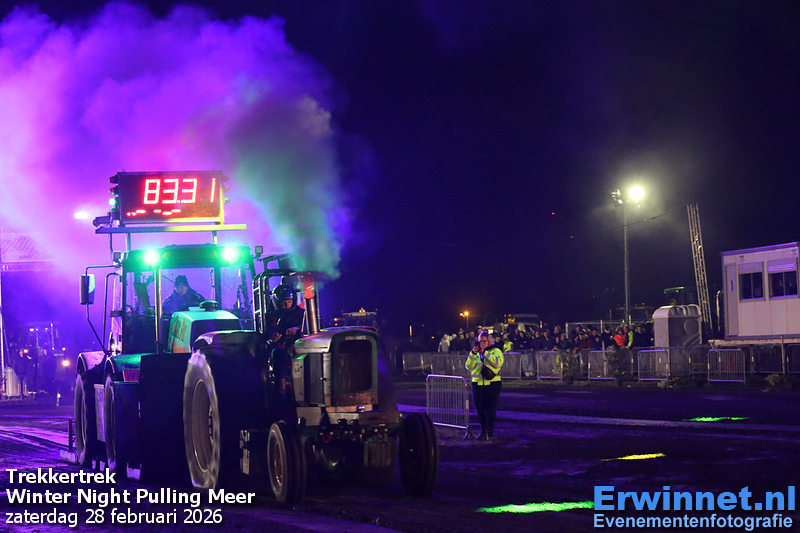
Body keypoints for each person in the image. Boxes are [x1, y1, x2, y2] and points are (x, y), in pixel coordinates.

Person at [263, 284, 305, 400]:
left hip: (298, 345)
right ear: (277, 302)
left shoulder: (301, 314)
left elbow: (310, 327)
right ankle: (281, 389)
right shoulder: (270, 316)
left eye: (289, 301)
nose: (287, 305)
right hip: (277, 347)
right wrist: (272, 336)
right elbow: (265, 332)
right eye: (283, 302)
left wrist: (298, 329)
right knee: (279, 353)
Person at [465, 330, 503, 441]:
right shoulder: (475, 352)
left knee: (490, 408)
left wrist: (485, 353)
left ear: (489, 341)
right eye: (480, 341)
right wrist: (473, 354)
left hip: (492, 384)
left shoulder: (496, 351)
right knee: (479, 409)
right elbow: (468, 366)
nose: (482, 343)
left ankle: (490, 433)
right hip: (477, 384)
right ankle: (483, 431)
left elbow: (497, 363)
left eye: (484, 341)